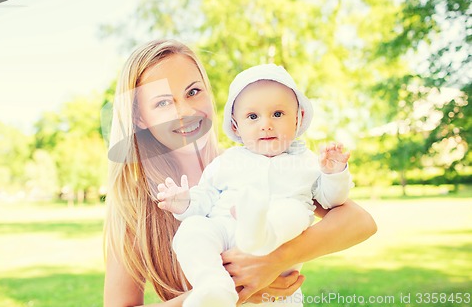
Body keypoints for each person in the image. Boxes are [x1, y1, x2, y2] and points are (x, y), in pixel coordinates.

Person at [103, 39, 377, 307]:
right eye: (163, 103)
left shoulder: (251, 162)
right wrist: (228, 290)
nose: (185, 111)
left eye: (193, 92)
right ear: (139, 118)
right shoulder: (134, 204)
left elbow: (360, 222)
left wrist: (273, 261)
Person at [156, 64, 352, 306]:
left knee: (293, 211)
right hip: (226, 233)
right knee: (192, 229)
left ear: (298, 119)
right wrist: (183, 202)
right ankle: (213, 286)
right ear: (236, 126)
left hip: (277, 251)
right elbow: (204, 198)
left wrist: (334, 173)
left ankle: (259, 230)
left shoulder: (307, 162)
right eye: (253, 116)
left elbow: (332, 200)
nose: (266, 124)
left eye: (278, 114)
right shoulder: (226, 162)